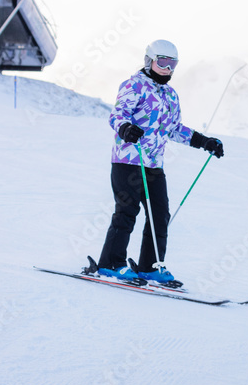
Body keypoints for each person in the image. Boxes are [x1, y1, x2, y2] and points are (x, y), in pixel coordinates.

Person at [95, 39, 224, 283]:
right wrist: (126, 129)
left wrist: (204, 141)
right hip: (128, 160)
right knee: (126, 212)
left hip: (154, 164)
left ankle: (150, 266)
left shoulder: (170, 95)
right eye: (162, 61)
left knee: (159, 215)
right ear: (149, 60)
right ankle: (111, 263)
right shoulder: (134, 86)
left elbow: (174, 129)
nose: (168, 68)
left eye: (172, 63)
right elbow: (118, 115)